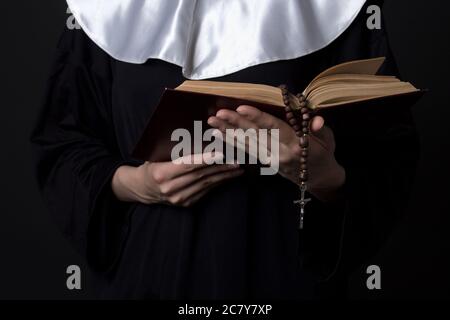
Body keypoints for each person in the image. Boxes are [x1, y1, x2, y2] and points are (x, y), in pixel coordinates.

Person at [31, 0, 419, 299]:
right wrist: (135, 183)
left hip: (282, 273)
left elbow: (387, 157)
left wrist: (324, 177)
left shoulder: (346, 9)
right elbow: (63, 142)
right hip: (147, 274)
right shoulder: (103, 11)